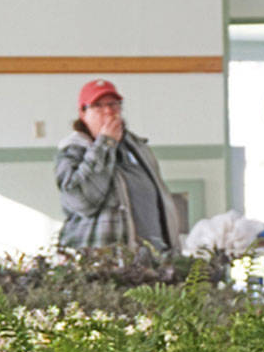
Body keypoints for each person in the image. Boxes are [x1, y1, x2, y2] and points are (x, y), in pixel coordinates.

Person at [55, 79, 182, 251]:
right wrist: (105, 144)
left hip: (153, 258)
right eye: (98, 105)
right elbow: (81, 201)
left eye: (113, 104)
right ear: (83, 113)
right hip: (104, 262)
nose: (108, 111)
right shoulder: (72, 150)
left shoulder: (138, 147)